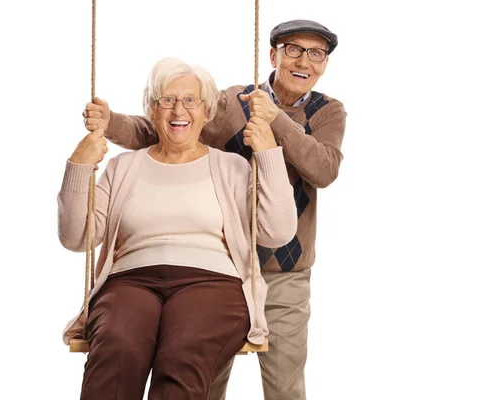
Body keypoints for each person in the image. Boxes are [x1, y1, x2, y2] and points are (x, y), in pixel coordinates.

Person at [83, 19, 347, 399]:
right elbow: (169, 127)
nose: (304, 61)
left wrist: (277, 123)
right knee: (200, 373)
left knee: (284, 383)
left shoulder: (328, 112)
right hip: (221, 266)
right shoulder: (233, 103)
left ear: (324, 64)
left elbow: (323, 169)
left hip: (284, 269)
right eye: (293, 49)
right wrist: (112, 125)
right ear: (273, 56)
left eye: (316, 53)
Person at [59, 57, 297, 399]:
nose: (178, 110)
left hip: (212, 281)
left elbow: (277, 232)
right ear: (152, 110)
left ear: (207, 111)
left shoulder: (232, 167)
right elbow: (75, 236)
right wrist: (80, 165)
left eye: (190, 100)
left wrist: (268, 152)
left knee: (182, 354)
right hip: (129, 282)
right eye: (166, 100)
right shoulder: (123, 167)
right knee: (117, 348)